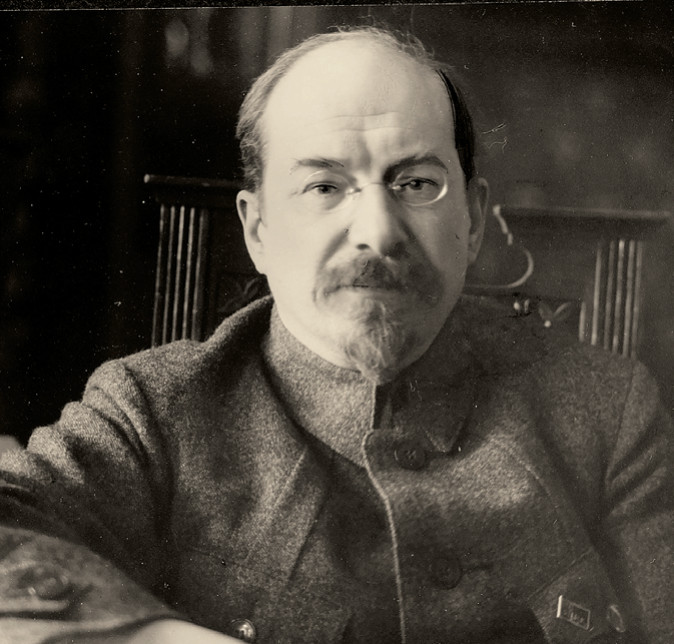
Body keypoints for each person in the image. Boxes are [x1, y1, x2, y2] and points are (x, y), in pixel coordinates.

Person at [0, 25, 672, 644]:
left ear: (472, 222)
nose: (377, 231)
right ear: (258, 230)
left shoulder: (608, 413)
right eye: (324, 186)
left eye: (416, 183)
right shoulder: (152, 413)